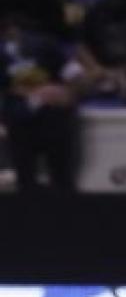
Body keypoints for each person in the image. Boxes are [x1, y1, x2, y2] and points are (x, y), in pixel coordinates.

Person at [0, 15, 79, 191]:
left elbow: (75, 75)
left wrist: (68, 93)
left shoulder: (45, 44)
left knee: (62, 180)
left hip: (53, 119)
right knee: (26, 181)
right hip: (19, 120)